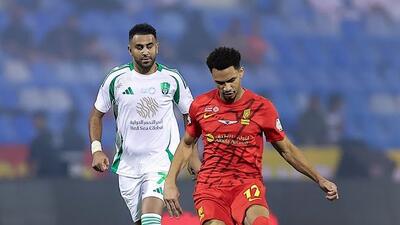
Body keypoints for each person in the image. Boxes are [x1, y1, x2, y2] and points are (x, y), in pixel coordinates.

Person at [163, 47, 339, 225]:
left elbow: (287, 150)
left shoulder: (261, 107)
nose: (227, 87)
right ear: (213, 78)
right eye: (220, 83)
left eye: (231, 80)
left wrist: (319, 178)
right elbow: (187, 144)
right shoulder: (200, 105)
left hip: (247, 183)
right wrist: (170, 182)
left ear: (241, 72)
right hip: (210, 187)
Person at [88, 23, 195, 225]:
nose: (145, 51)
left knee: (150, 219)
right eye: (139, 47)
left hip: (161, 161)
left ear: (157, 47)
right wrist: (96, 150)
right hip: (128, 166)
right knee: (141, 222)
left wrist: (191, 154)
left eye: (150, 46)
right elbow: (96, 116)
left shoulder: (172, 78)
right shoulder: (116, 79)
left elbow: (190, 116)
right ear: (130, 50)